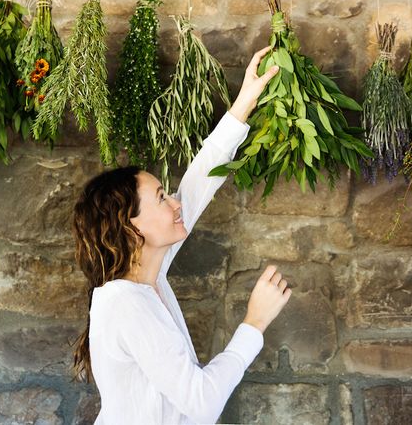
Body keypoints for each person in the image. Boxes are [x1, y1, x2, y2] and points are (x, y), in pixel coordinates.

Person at [72, 47, 290, 424]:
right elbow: (202, 403)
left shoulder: (147, 277)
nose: (175, 203)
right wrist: (254, 323)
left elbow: (196, 186)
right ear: (132, 226)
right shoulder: (127, 304)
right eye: (160, 198)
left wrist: (244, 104)